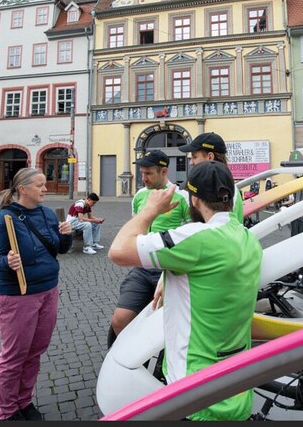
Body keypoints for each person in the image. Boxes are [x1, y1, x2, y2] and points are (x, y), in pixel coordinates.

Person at [108, 161, 262, 421]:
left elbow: (118, 251)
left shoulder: (196, 238)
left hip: (194, 392)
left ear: (194, 199)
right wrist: (167, 276)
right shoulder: (247, 238)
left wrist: (149, 211)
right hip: (235, 387)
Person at [0, 168, 73, 421]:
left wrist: (66, 237)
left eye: (45, 184)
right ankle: (8, 411)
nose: (45, 189)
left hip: (48, 289)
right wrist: (9, 261)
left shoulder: (46, 213)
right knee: (14, 356)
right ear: (23, 189)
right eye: (40, 185)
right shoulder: (4, 219)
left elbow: (58, 249)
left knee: (35, 351)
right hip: (17, 295)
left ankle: (24, 402)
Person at [107, 150, 189, 348]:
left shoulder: (182, 197)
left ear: (164, 171)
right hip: (142, 267)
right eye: (141, 173)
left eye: (149, 173)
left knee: (165, 323)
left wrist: (170, 269)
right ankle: (130, 359)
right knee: (120, 319)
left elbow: (190, 235)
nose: (143, 178)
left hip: (170, 268)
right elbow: (135, 227)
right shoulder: (140, 196)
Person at [177, 132, 244, 222]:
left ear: (210, 157)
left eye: (195, 157)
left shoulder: (216, 190)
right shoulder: (227, 187)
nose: (191, 163)